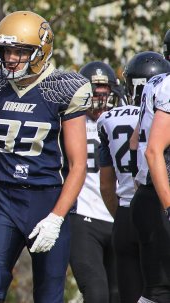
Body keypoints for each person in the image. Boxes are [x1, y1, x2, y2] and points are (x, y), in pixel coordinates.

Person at [0, 11, 91, 302]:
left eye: (20, 51)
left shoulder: (62, 88)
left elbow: (78, 165)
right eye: (7, 50)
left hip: (48, 199)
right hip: (5, 200)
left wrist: (57, 217)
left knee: (48, 295)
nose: (10, 58)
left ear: (41, 50)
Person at [68, 61, 121, 303]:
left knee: (121, 293)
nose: (100, 98)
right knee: (97, 294)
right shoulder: (70, 122)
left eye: (105, 91)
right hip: (84, 219)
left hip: (120, 218)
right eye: (94, 91)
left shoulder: (122, 120)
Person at [96, 58, 143, 303]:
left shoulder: (108, 119)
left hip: (124, 213)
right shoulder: (160, 112)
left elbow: (106, 186)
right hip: (156, 210)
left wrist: (120, 216)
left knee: (128, 295)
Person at [129, 51, 170, 303]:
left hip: (148, 194)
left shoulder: (156, 82)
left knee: (157, 291)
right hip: (161, 198)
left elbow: (135, 142)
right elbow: (153, 150)